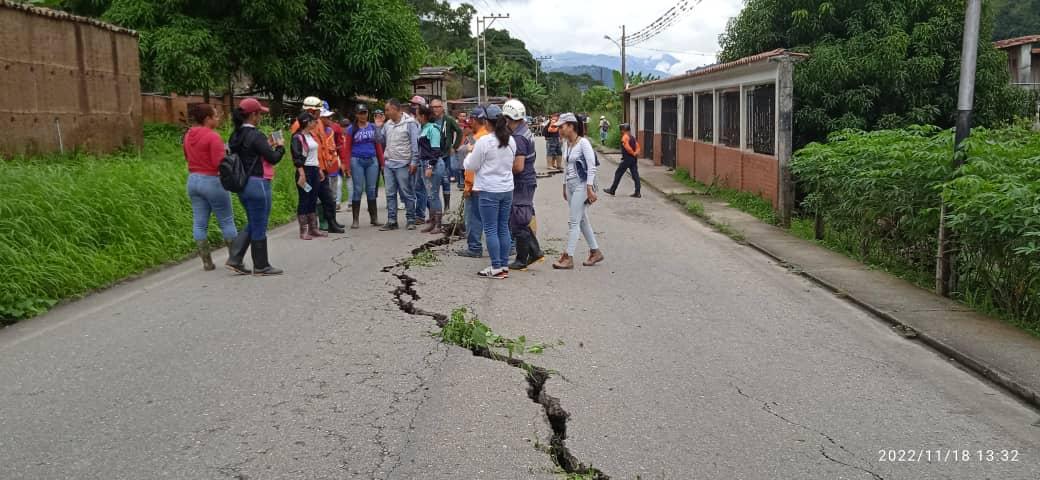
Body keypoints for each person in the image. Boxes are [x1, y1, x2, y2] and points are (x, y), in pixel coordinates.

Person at [225, 98, 286, 276]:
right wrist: (280, 147)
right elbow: (273, 158)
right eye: (259, 114)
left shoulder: (235, 135)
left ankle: (235, 258)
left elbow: (250, 153)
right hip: (258, 183)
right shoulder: (256, 135)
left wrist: (266, 146)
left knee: (254, 220)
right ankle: (261, 265)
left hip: (242, 183)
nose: (261, 117)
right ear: (253, 115)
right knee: (259, 223)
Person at [463, 104, 516, 279]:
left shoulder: (484, 142)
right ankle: (503, 265)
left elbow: (471, 165)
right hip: (507, 189)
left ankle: (496, 267)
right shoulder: (511, 140)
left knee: (491, 228)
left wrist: (469, 153)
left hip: (488, 190)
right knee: (503, 227)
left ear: (486, 122)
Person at [183, 103, 237, 271]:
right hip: (212, 180)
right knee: (226, 220)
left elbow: (187, 157)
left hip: (193, 180)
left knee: (199, 223)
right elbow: (219, 164)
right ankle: (235, 259)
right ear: (207, 119)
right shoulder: (213, 137)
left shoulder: (188, 135)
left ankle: (207, 262)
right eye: (215, 116)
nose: (218, 118)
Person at [553, 112, 604, 270]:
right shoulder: (566, 144)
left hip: (582, 185)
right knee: (581, 220)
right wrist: (564, 185)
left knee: (574, 221)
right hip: (570, 185)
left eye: (561, 127)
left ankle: (568, 256)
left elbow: (592, 166)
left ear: (571, 126)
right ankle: (595, 251)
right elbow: (567, 166)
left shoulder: (584, 143)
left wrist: (589, 188)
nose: (559, 130)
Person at [502, 99, 545, 271]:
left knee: (519, 220)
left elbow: (518, 166)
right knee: (521, 219)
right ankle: (534, 252)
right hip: (527, 180)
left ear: (508, 118)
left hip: (521, 182)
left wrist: (503, 169)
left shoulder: (518, 137)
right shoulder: (524, 130)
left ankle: (523, 258)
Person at [379, 99, 420, 230]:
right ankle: (392, 221)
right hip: (389, 163)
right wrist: (378, 127)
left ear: (395, 109)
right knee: (390, 194)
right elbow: (379, 140)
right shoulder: (387, 124)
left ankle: (411, 220)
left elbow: (415, 144)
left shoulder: (410, 123)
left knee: (406, 193)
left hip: (404, 163)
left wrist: (414, 162)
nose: (386, 112)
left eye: (387, 110)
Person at [343, 103, 384, 228]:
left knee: (371, 189)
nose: (363, 115)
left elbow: (378, 145)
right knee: (358, 189)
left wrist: (382, 163)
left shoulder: (373, 127)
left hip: (372, 160)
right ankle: (355, 220)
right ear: (356, 115)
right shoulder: (351, 129)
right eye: (360, 113)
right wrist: (347, 166)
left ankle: (374, 218)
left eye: (365, 113)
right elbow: (347, 149)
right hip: (357, 160)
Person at [458, 106, 491, 258]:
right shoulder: (490, 136)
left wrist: (468, 186)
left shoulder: (478, 139)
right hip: (488, 184)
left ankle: (474, 247)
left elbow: (471, 167)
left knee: (473, 218)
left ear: (474, 120)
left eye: (470, 120)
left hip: (476, 185)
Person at [291, 112, 326, 240]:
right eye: (312, 121)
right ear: (306, 122)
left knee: (313, 198)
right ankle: (304, 231)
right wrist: (301, 174)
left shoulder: (310, 135)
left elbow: (313, 154)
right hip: (304, 171)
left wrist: (319, 169)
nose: (315, 123)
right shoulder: (297, 137)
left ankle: (313, 228)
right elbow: (296, 157)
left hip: (314, 170)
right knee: (304, 199)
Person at [429, 99, 463, 226]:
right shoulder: (430, 120)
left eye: (437, 107)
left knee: (445, 179)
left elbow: (459, 131)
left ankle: (447, 207)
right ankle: (434, 211)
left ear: (442, 108)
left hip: (445, 154)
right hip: (433, 154)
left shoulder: (448, 120)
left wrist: (454, 147)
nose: (435, 109)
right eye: (433, 107)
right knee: (432, 183)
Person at [415, 105, 445, 233]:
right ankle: (432, 222)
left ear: (423, 116)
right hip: (424, 163)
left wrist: (430, 166)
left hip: (432, 164)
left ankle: (438, 224)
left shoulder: (433, 129)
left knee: (434, 195)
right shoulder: (424, 128)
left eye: (417, 115)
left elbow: (436, 150)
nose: (416, 117)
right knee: (430, 195)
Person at [604, 123, 643, 198]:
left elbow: (627, 148)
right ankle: (637, 192)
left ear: (623, 130)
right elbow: (638, 147)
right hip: (633, 159)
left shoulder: (625, 137)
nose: (621, 131)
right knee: (635, 175)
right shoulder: (632, 137)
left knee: (618, 173)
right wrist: (635, 154)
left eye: (621, 130)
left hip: (627, 159)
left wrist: (632, 153)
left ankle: (612, 190)